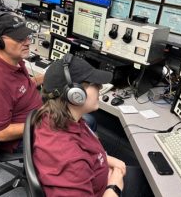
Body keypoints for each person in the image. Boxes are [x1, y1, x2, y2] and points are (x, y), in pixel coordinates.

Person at [32, 53, 152, 197]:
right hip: (108, 188)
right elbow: (76, 162)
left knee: (148, 178)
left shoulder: (60, 117)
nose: (100, 87)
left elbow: (88, 153)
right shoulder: (70, 158)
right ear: (75, 95)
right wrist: (114, 186)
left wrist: (109, 161)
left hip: (100, 174)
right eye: (94, 84)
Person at [0, 12, 44, 153]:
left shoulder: (15, 61)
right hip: (22, 137)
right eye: (19, 38)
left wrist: (44, 77)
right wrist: (42, 123)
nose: (27, 42)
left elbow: (19, 89)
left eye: (27, 36)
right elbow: (1, 133)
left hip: (38, 118)